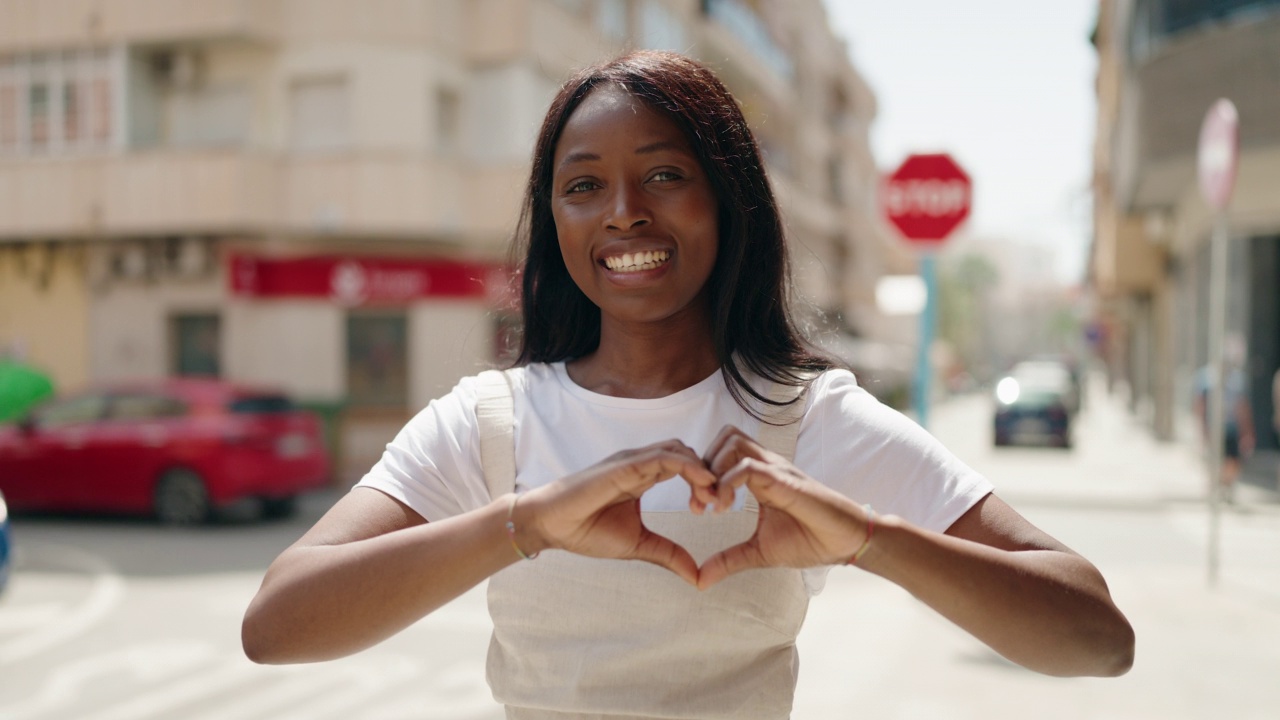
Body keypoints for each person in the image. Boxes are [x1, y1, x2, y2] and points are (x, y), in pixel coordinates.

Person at [242, 51, 1133, 718]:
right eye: (583, 185)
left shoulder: (807, 422)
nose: (625, 209)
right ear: (555, 224)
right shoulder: (489, 427)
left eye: (666, 175)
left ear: (729, 200)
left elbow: (1097, 640)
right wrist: (525, 524)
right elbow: (277, 626)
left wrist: (866, 539)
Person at [1193, 336, 1255, 502]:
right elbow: (1200, 405)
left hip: (1231, 427)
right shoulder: (1206, 377)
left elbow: (1243, 408)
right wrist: (1202, 429)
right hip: (1214, 426)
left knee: (1233, 460)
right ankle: (1217, 486)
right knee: (1215, 460)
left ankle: (1225, 485)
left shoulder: (1237, 380)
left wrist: (1247, 431)